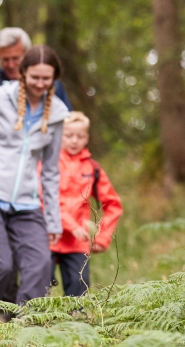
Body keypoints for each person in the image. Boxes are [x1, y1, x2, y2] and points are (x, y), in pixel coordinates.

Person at [0, 45, 70, 305]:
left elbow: (50, 171)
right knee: (1, 268)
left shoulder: (58, 114)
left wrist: (53, 221)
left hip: (27, 203)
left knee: (40, 266)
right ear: (23, 73)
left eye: (46, 79)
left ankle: (23, 335)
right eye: (35, 77)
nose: (40, 84)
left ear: (54, 79)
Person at [51, 112, 123, 296]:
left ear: (87, 138)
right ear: (60, 135)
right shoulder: (49, 162)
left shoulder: (92, 168)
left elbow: (113, 204)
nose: (74, 140)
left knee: (78, 294)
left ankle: (75, 323)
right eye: (69, 135)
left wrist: (102, 237)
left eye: (80, 136)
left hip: (78, 242)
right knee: (37, 291)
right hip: (48, 237)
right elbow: (44, 198)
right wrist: (71, 225)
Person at [0, 27, 72, 111]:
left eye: (16, 59)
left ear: (27, 55)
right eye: (5, 60)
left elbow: (69, 123)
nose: (11, 65)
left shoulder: (50, 86)